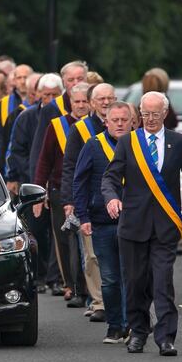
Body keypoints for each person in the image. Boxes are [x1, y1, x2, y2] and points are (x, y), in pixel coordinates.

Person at [102, 91, 182, 356]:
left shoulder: (179, 143)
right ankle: (138, 332)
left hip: (166, 225)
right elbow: (111, 177)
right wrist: (112, 199)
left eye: (155, 114)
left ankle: (166, 337)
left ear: (165, 114)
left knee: (162, 282)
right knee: (135, 283)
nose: (149, 119)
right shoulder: (128, 142)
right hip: (133, 225)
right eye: (145, 114)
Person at [73, 101, 132, 343]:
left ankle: (132, 324)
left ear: (132, 122)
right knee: (109, 278)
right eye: (114, 120)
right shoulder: (93, 145)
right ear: (105, 121)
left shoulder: (138, 145)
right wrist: (83, 216)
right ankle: (115, 325)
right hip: (101, 221)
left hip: (133, 222)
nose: (119, 124)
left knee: (131, 275)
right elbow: (80, 181)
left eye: (124, 120)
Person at [60, 83, 117, 320]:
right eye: (100, 99)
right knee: (93, 255)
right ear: (92, 103)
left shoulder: (127, 126)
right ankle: (99, 303)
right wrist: (70, 200)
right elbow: (71, 167)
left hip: (122, 203)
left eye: (109, 98)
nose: (105, 102)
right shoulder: (81, 129)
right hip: (93, 203)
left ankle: (119, 301)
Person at [34, 82, 91, 307]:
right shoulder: (57, 125)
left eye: (85, 101)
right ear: (70, 103)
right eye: (76, 101)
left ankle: (88, 286)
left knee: (87, 242)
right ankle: (72, 285)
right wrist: (40, 192)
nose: (81, 105)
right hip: (60, 190)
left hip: (89, 190)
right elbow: (44, 160)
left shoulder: (96, 125)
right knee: (66, 240)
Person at [5, 74, 64, 294]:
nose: (49, 98)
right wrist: (21, 175)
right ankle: (38, 275)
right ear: (37, 94)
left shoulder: (64, 119)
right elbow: (17, 150)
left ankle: (56, 278)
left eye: (54, 95)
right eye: (45, 94)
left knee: (58, 231)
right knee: (37, 230)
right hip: (32, 182)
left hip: (57, 182)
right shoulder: (26, 117)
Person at [0, 64, 33, 173]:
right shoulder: (2, 104)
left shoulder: (38, 103)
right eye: (19, 78)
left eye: (25, 77)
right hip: (6, 158)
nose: (22, 81)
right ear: (14, 81)